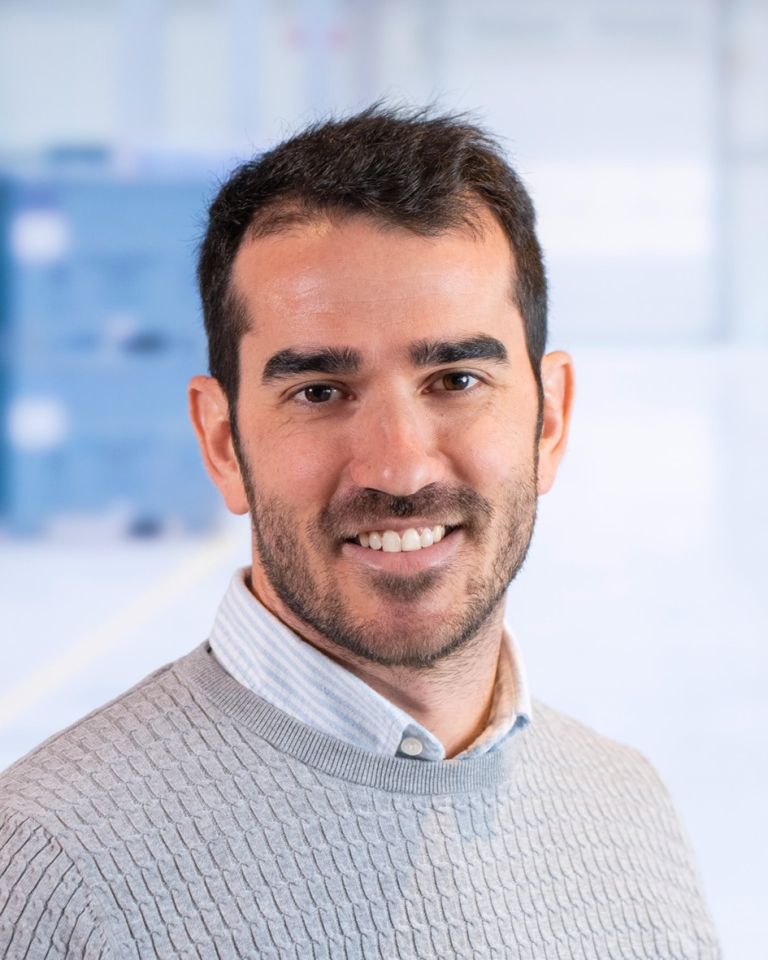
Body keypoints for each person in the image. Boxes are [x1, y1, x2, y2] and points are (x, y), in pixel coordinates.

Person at [0, 107, 720, 959]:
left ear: (550, 420)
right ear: (222, 443)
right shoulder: (51, 867)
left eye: (456, 379)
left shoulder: (630, 812)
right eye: (319, 392)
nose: (400, 468)